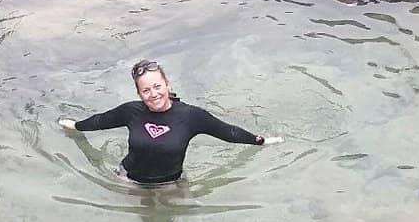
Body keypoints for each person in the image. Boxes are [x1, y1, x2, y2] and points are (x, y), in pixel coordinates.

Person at [58, 59, 281, 186]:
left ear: (167, 84)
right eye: (145, 90)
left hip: (172, 184)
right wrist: (76, 126)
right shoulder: (131, 112)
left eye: (157, 86)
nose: (153, 94)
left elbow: (228, 132)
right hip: (129, 182)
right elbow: (100, 121)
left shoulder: (191, 116)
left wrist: (260, 141)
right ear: (139, 93)